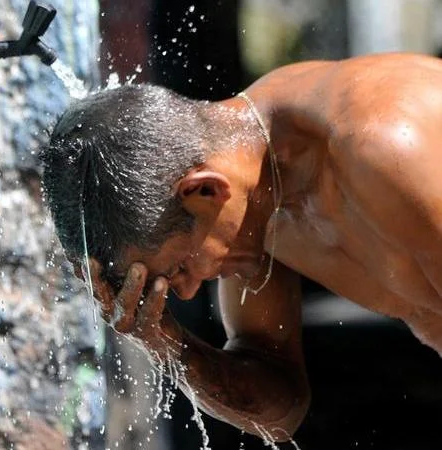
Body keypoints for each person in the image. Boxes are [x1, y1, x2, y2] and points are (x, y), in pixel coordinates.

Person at [39, 52, 442, 441]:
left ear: (205, 190)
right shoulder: (257, 193)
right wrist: (167, 343)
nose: (189, 290)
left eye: (180, 268)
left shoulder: (385, 153)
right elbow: (281, 412)